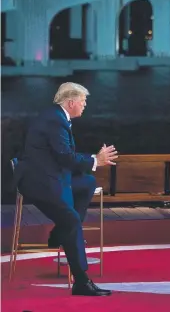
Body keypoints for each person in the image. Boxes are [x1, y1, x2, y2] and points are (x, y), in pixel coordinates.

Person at [12, 82, 118, 296]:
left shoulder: (57, 117)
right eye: (83, 101)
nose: (85, 105)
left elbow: (62, 158)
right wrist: (94, 159)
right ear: (71, 102)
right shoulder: (55, 121)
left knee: (87, 182)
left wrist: (92, 161)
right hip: (38, 181)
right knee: (71, 220)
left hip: (52, 175)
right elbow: (65, 157)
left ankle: (60, 232)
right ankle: (81, 281)